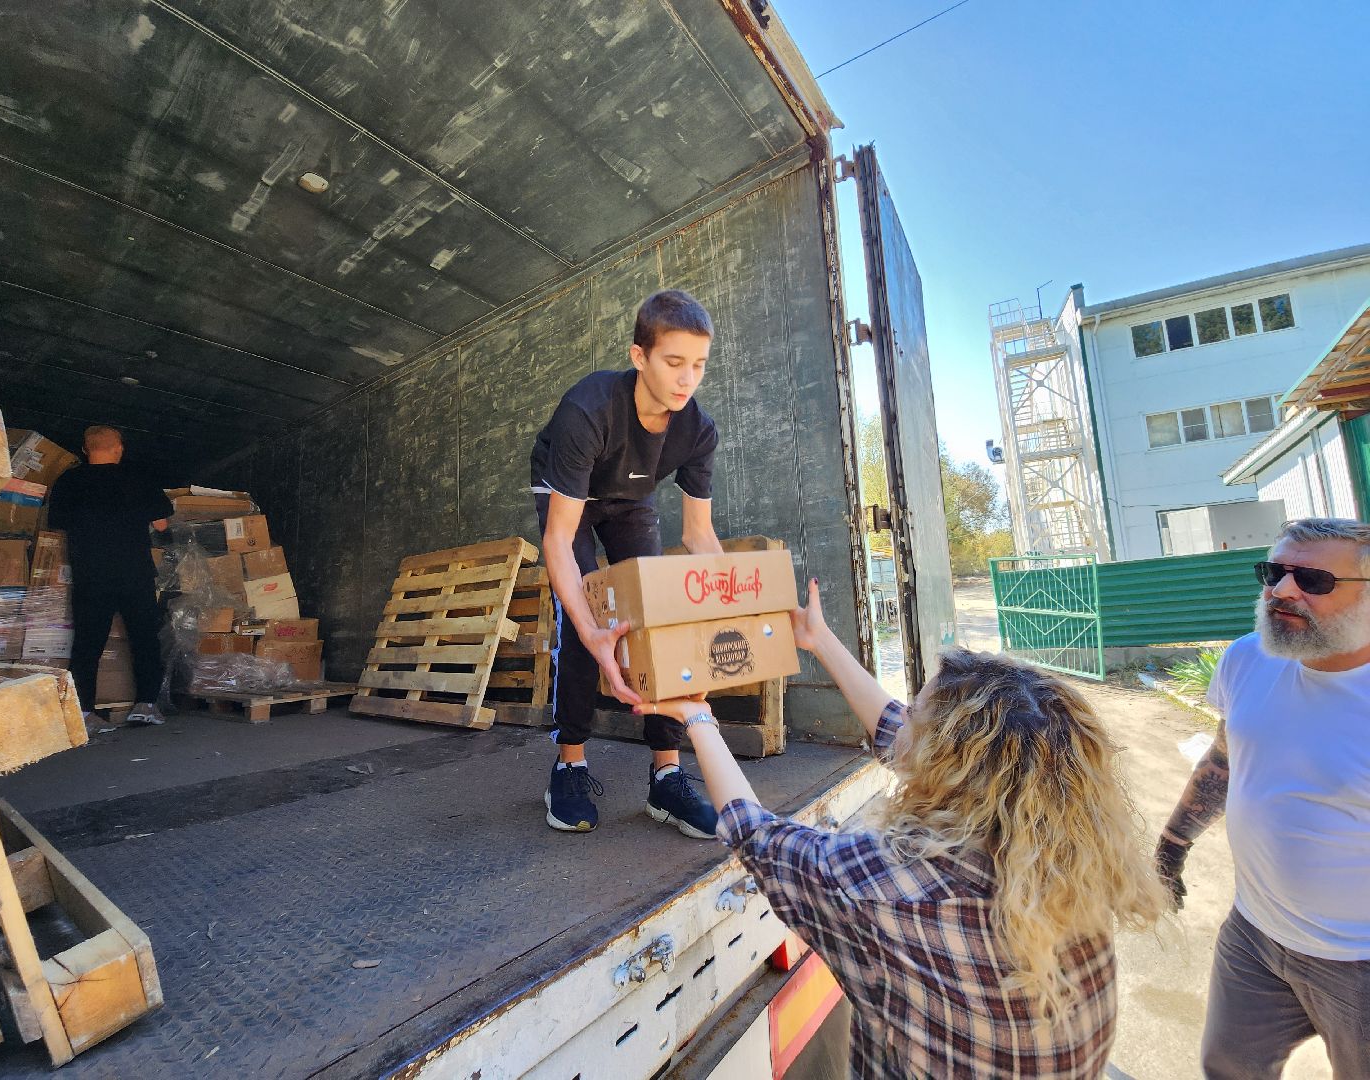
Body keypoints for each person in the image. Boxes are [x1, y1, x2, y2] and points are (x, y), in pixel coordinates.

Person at [639, 579, 1164, 1078]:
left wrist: (697, 717)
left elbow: (760, 839)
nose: (902, 716)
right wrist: (818, 640)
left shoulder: (894, 890)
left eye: (916, 712)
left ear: (947, 760)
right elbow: (901, 734)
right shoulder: (1065, 851)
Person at [1155, 518, 1370, 1079]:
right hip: (1255, 935)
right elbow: (1225, 761)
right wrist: (1171, 848)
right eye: (1273, 572)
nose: (1281, 590)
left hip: (1359, 962)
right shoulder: (1249, 659)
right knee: (1227, 1067)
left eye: (1313, 580)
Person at [531, 289, 724, 837]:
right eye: (673, 363)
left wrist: (725, 609)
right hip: (568, 498)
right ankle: (570, 763)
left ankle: (666, 776)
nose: (687, 379)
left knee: (661, 614)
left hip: (629, 499)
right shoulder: (587, 410)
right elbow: (560, 541)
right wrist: (595, 632)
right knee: (587, 616)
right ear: (640, 357)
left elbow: (698, 534)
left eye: (698, 365)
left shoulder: (697, 430)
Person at [46, 426, 172, 727]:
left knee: (88, 644)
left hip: (90, 575)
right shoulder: (138, 478)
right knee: (144, 638)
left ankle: (85, 713)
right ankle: (146, 704)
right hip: (135, 573)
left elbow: (57, 525)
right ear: (119, 448)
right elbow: (163, 525)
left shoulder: (68, 481)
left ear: (85, 449)